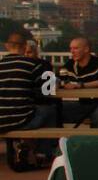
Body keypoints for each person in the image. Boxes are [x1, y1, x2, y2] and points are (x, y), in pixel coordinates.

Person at [0, 32, 59, 166]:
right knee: (49, 110)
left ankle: (27, 147)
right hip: (20, 120)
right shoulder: (32, 64)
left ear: (7, 46)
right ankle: (43, 153)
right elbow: (48, 90)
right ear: (24, 46)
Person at [58, 36, 98, 128]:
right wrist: (61, 84)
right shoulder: (70, 64)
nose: (72, 52)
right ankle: (59, 140)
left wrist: (80, 85)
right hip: (84, 104)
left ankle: (95, 141)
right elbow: (58, 79)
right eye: (71, 48)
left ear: (86, 49)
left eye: (76, 48)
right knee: (54, 110)